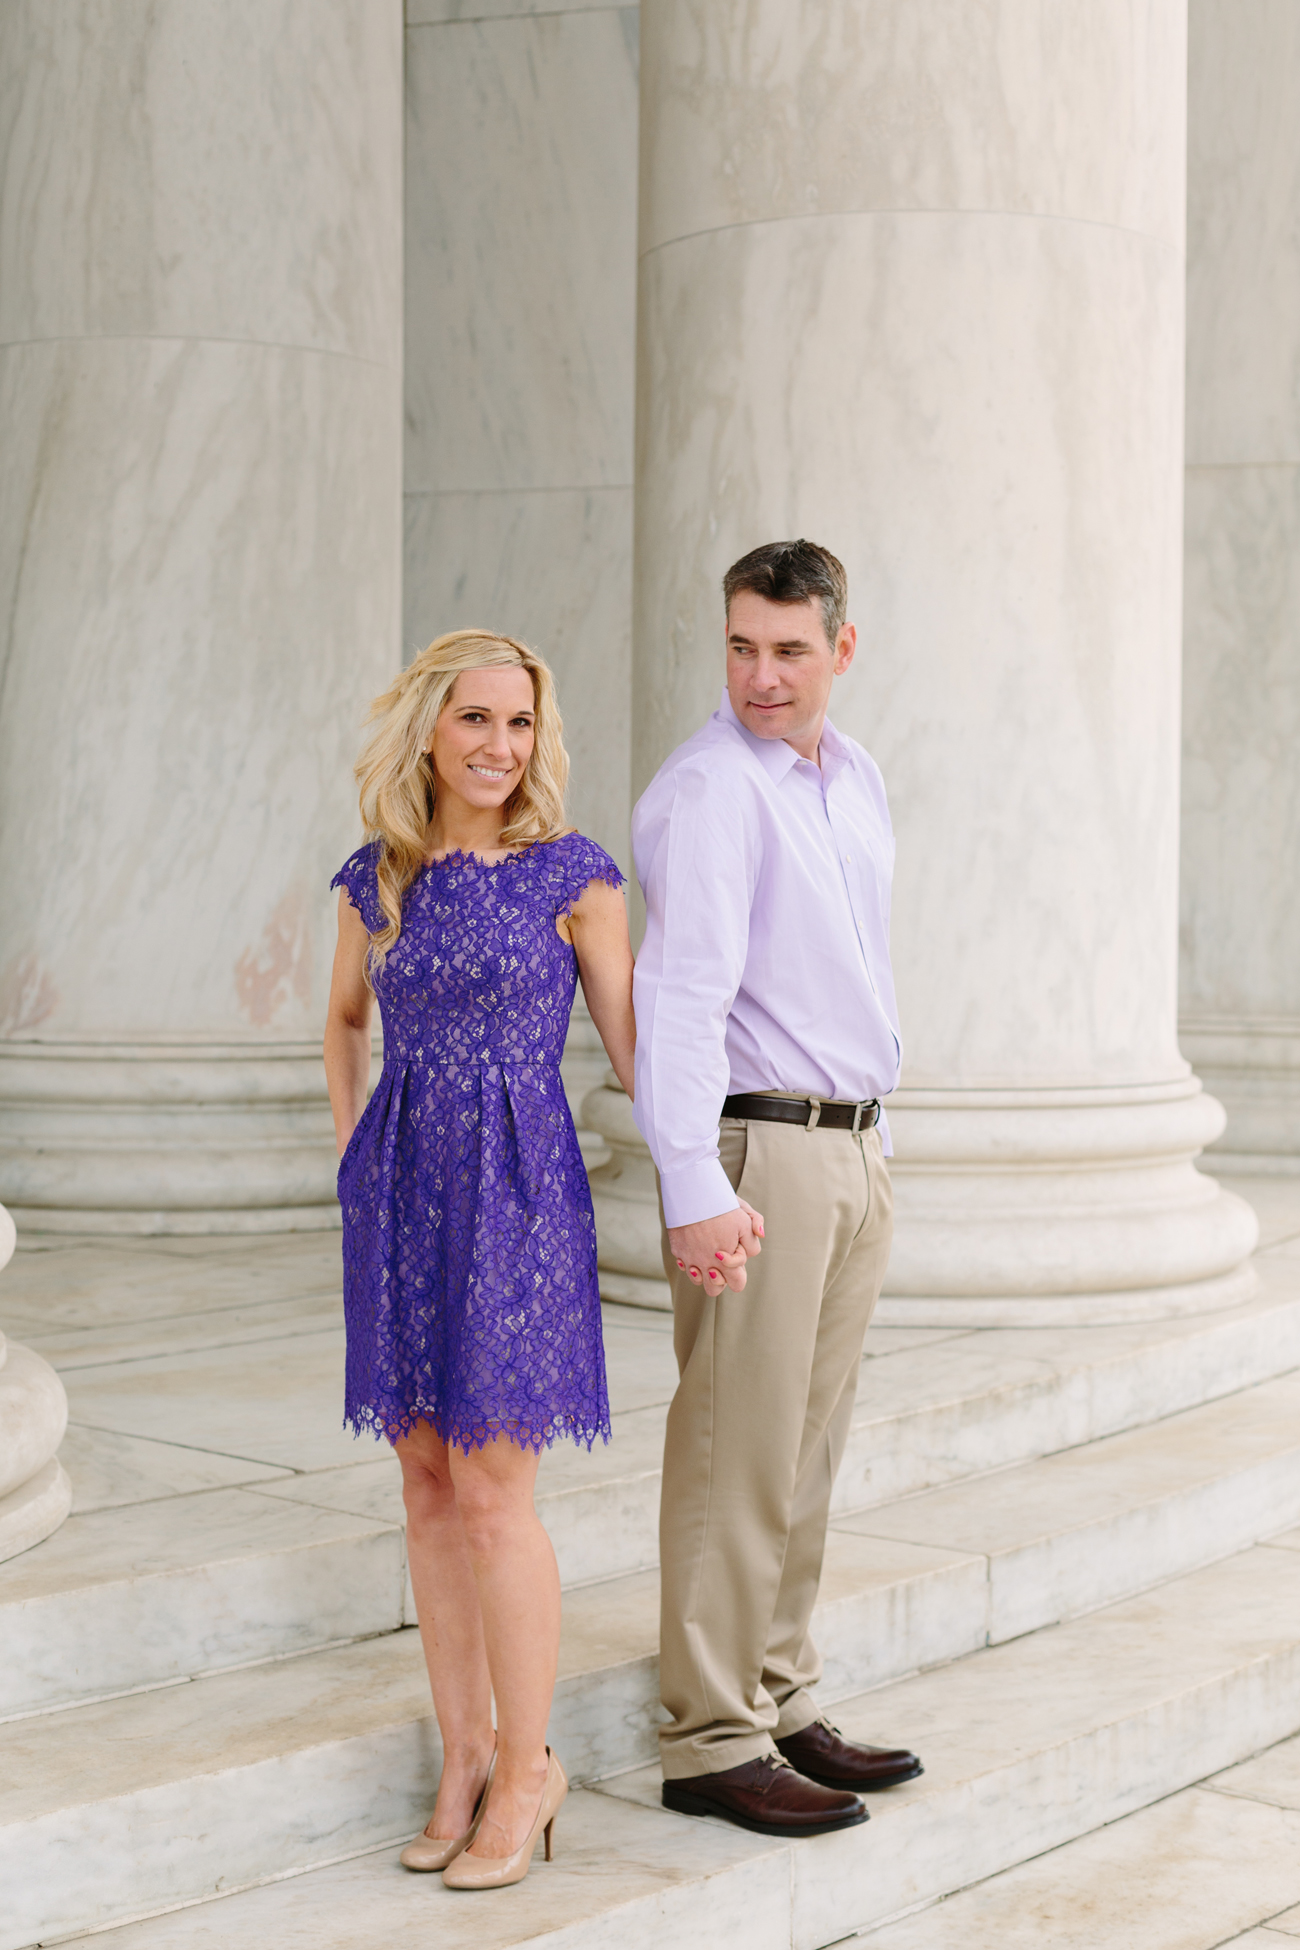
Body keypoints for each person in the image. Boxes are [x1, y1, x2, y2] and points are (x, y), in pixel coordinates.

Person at [323, 630, 635, 1890]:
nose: (500, 745)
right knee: (424, 1483)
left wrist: (715, 1172)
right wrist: (354, 1157)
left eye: (519, 722)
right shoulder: (377, 876)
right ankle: (461, 1758)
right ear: (428, 733)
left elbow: (633, 1046)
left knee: (495, 1490)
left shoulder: (573, 874)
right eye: (475, 719)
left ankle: (527, 1770)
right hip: (401, 1190)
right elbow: (344, 1023)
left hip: (517, 1195)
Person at [632, 539, 923, 1839]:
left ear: (840, 649)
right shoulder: (710, 791)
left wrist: (874, 1141)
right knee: (734, 1447)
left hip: (849, 1145)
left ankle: (779, 1691)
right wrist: (691, 1180)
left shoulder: (853, 778)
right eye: (742, 645)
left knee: (806, 1445)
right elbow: (680, 998)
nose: (761, 674)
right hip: (759, 1148)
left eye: (790, 650)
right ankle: (709, 1734)